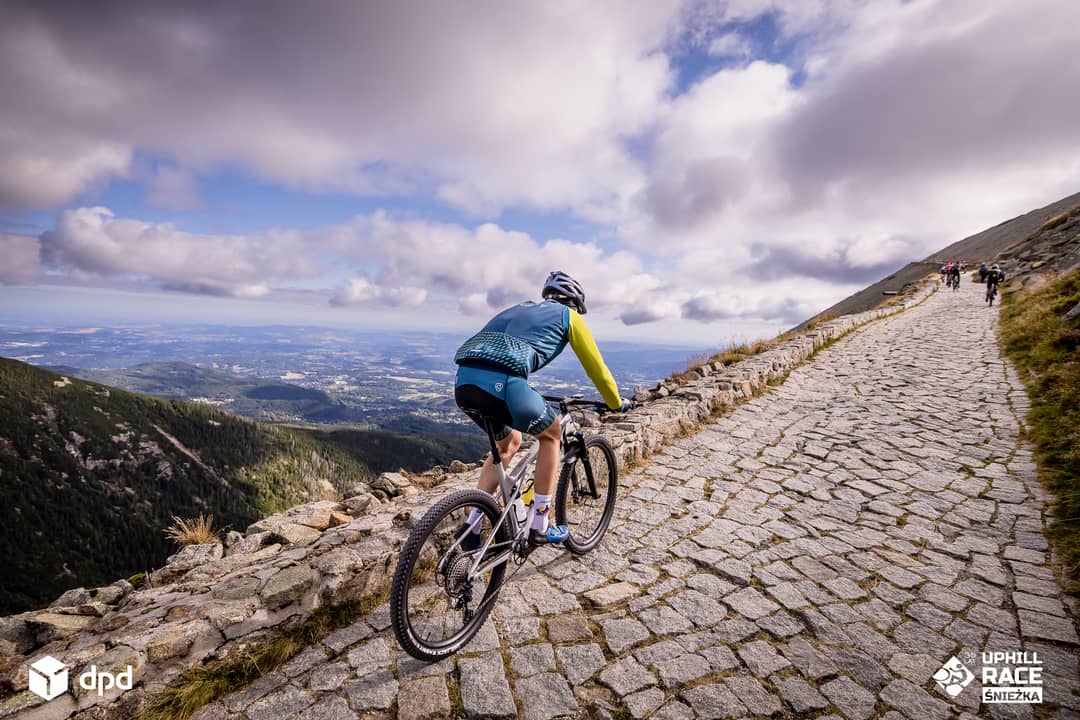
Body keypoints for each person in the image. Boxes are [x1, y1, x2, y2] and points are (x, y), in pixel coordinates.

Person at [453, 271, 631, 546]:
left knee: (508, 442)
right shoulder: (570, 317)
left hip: (464, 383)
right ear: (575, 303)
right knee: (551, 434)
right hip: (505, 385)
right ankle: (540, 524)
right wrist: (616, 403)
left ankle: (472, 526)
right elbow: (598, 372)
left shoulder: (516, 308)